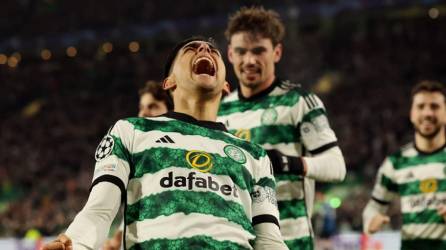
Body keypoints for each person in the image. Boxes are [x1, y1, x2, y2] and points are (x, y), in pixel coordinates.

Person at [43, 36, 287, 250]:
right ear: (169, 81)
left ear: (225, 86)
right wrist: (75, 243)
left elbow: (269, 240)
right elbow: (100, 210)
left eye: (214, 51)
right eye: (191, 49)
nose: (204, 49)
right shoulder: (131, 132)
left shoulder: (255, 155)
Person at [217, 7, 346, 249]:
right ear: (230, 55)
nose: (250, 60)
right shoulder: (219, 111)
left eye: (259, 51)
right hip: (239, 241)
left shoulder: (299, 101)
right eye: (241, 51)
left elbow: (336, 166)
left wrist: (289, 163)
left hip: (291, 241)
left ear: (277, 52)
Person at [363, 80, 446, 250]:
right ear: (412, 113)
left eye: (435, 106)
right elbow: (373, 207)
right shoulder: (395, 163)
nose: (428, 113)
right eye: (421, 106)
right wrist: (371, 221)